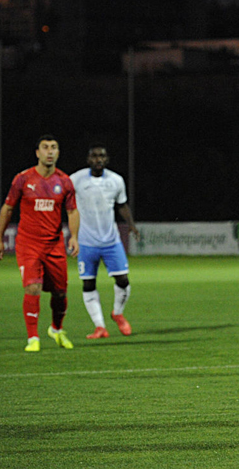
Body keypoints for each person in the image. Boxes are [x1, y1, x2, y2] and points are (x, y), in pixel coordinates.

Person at [0, 135, 80, 352]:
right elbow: (8, 209)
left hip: (54, 244)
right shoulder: (23, 179)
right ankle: (33, 337)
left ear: (58, 153)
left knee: (60, 292)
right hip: (28, 243)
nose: (49, 152)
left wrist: (75, 237)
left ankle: (56, 329)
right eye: (45, 148)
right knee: (33, 287)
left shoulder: (65, 181)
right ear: (37, 152)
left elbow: (72, 210)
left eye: (54, 148)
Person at [70, 144, 141, 338]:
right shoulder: (75, 179)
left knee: (123, 280)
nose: (98, 159)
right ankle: (99, 326)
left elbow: (122, 205)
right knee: (88, 284)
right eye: (94, 156)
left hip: (111, 241)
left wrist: (132, 225)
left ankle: (117, 313)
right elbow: (65, 202)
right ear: (88, 159)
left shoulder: (116, 180)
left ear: (107, 159)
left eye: (101, 156)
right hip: (86, 242)